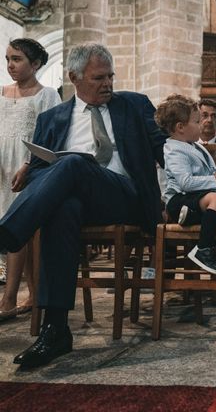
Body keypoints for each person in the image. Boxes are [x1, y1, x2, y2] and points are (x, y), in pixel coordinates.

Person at [0, 42, 167, 369]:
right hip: (77, 201)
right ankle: (55, 331)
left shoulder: (134, 105)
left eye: (110, 76)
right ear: (74, 77)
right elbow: (39, 171)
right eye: (98, 78)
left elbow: (166, 149)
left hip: (123, 196)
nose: (107, 84)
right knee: (62, 210)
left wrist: (199, 175)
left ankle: (7, 235)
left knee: (74, 163)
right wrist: (29, 168)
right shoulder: (53, 118)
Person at [0, 38, 60, 322]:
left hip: (28, 167)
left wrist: (28, 165)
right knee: (11, 230)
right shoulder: (1, 92)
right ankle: (33, 294)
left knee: (18, 229)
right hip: (2, 167)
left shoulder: (46, 95)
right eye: (8, 58)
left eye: (18, 59)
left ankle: (8, 298)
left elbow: (49, 137)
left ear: (35, 64)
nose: (11, 65)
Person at [155, 94, 216, 275]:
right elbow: (185, 182)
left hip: (195, 201)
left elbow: (208, 169)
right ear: (180, 127)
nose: (201, 124)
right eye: (196, 121)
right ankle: (203, 249)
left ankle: (193, 218)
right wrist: (214, 180)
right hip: (179, 200)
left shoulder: (195, 145)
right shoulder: (174, 150)